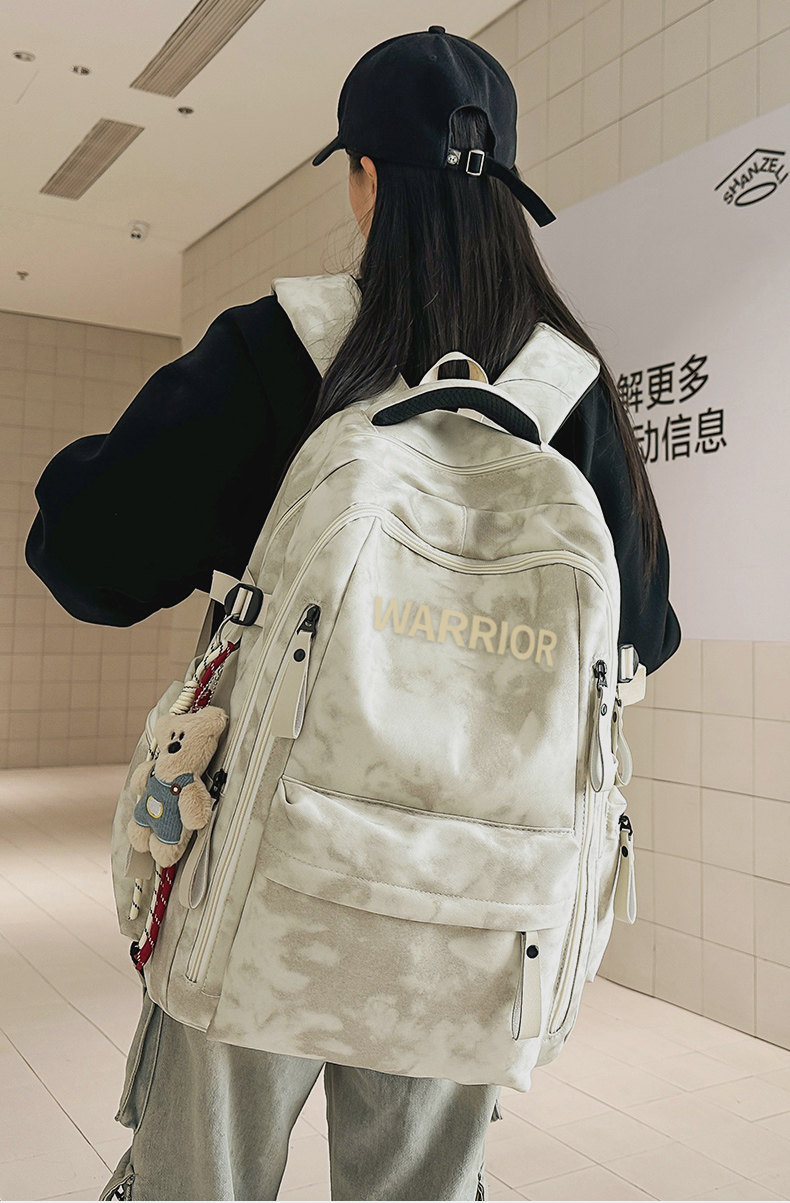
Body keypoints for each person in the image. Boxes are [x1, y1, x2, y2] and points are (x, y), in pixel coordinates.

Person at [25, 26, 681, 1203]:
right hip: (474, 906)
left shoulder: (277, 349)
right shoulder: (569, 394)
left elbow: (88, 564)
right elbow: (645, 636)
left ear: (364, 177)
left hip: (261, 889)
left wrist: (85, 470)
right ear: (508, 191)